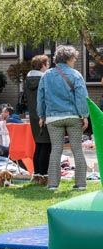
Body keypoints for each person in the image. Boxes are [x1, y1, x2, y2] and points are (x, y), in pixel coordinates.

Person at [37, 45, 89, 191]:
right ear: (69, 58)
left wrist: (41, 115)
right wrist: (84, 115)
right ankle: (81, 184)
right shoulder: (76, 75)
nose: (75, 61)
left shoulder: (46, 75)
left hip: (53, 118)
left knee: (56, 150)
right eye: (74, 58)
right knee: (77, 149)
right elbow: (81, 98)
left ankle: (53, 184)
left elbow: (40, 98)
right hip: (73, 117)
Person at [24, 55, 51, 186]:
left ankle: (37, 174)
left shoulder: (27, 80)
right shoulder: (45, 79)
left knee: (39, 146)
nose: (49, 67)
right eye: (47, 64)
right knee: (46, 145)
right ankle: (44, 176)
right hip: (44, 115)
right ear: (42, 66)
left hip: (33, 116)